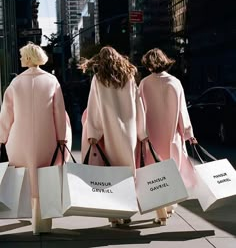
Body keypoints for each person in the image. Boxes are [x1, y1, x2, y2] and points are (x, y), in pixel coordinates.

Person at [0, 42, 71, 235]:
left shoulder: (16, 83)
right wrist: (62, 138)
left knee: (25, 178)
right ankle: (41, 222)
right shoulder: (51, 81)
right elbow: (59, 112)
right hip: (46, 137)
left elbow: (7, 114)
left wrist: (2, 137)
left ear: (29, 58)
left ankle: (26, 213)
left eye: (23, 56)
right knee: (44, 178)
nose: (21, 59)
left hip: (19, 139)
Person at [79, 45, 148, 227]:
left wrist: (93, 132)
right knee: (128, 171)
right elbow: (138, 104)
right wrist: (142, 132)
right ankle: (126, 212)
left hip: (109, 131)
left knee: (111, 172)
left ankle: (114, 215)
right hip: (129, 132)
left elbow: (94, 107)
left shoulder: (98, 79)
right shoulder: (130, 77)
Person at [138, 47, 198, 226]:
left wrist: (141, 134)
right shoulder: (175, 82)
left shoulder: (144, 84)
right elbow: (182, 111)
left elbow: (140, 112)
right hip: (173, 136)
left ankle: (161, 212)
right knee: (173, 172)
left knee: (155, 175)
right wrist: (188, 133)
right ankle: (170, 206)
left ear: (148, 65)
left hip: (151, 137)